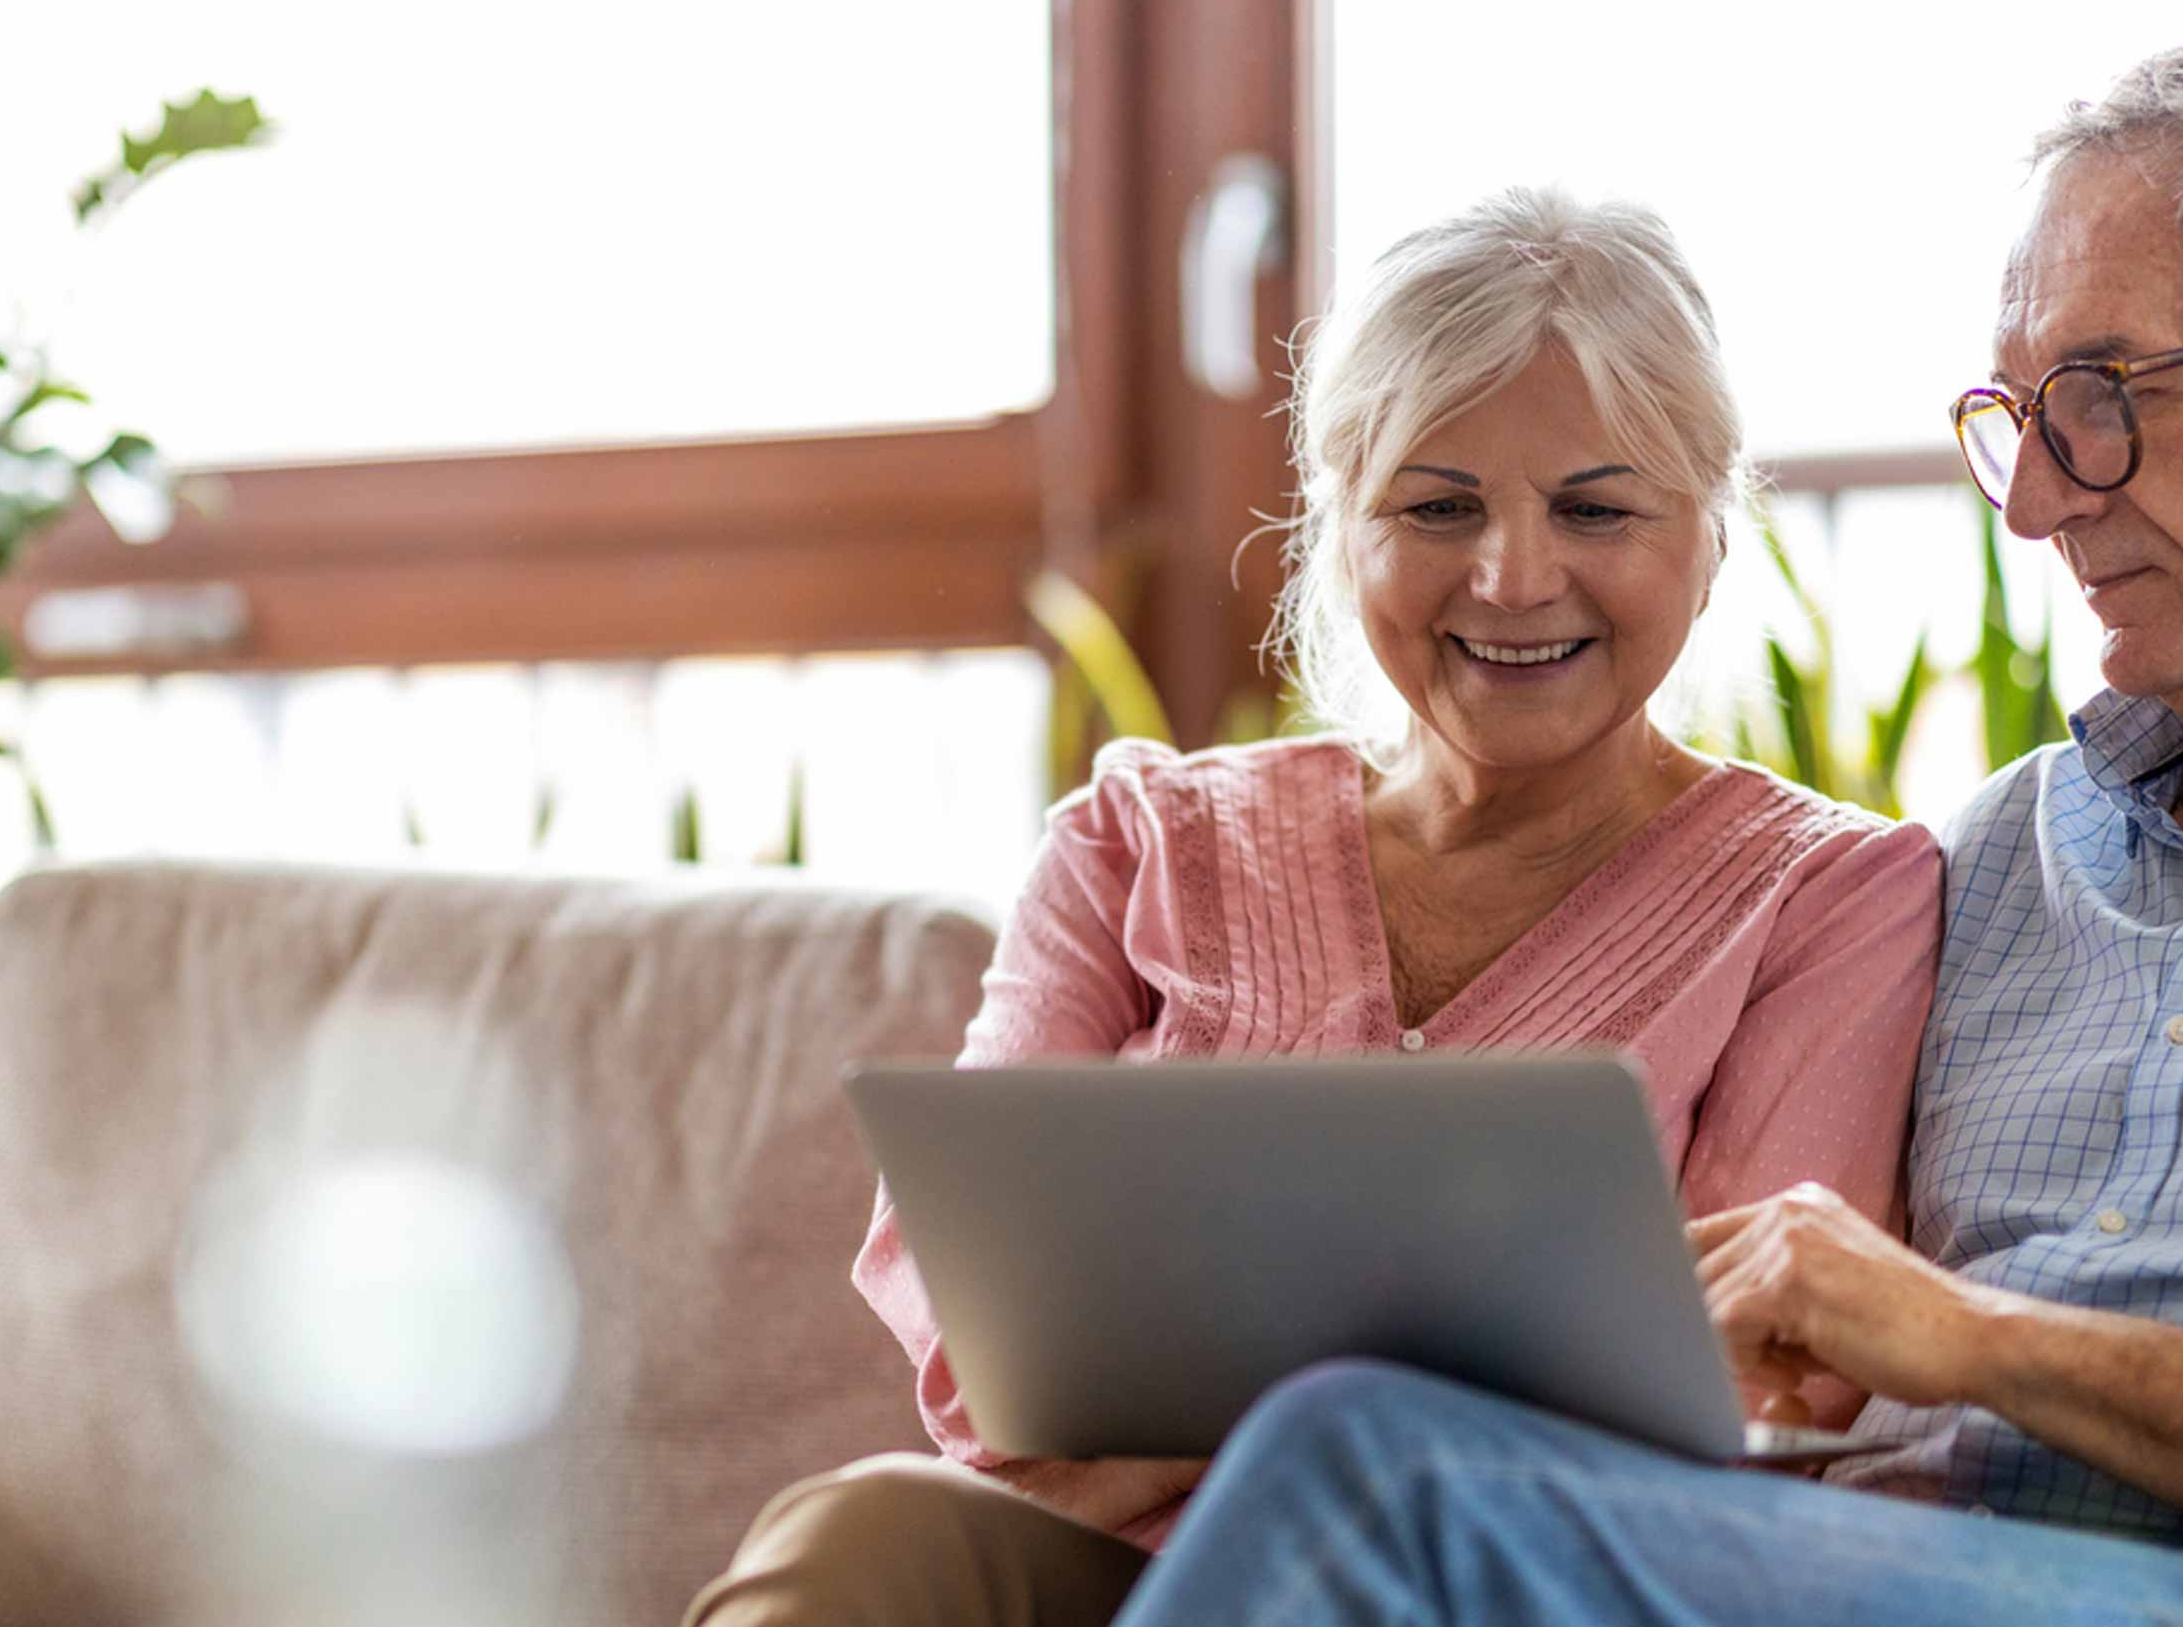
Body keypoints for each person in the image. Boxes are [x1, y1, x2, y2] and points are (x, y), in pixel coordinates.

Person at [1091, 7, 2183, 1627]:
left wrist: (1976, 1339)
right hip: (1847, 1567)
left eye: (2098, 395)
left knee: (1376, 1478)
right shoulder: (2000, 857)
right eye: (2013, 418)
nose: (2037, 500)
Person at [684, 187, 1945, 1626]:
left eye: (1597, 506)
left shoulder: (1831, 896)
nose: (1514, 575)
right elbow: (993, 1357)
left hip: (1475, 1588)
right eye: (1437, 504)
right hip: (1106, 1579)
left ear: (1714, 537)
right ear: (1340, 528)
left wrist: (1175, 1427)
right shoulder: (1136, 840)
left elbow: (1747, 1392)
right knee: (873, 1536)